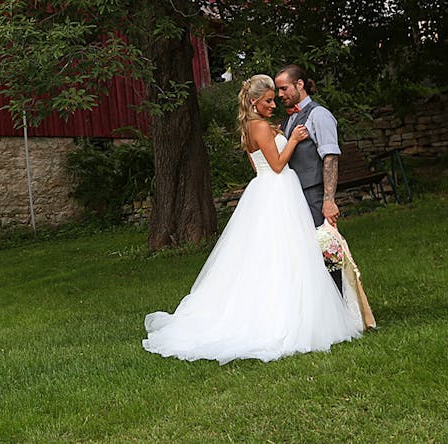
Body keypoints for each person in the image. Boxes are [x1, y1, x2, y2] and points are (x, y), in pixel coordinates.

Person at [142, 75, 362, 364]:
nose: (274, 104)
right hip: (277, 188)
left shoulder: (251, 126)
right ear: (254, 101)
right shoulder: (258, 126)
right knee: (284, 251)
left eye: (274, 99)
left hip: (268, 188)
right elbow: (277, 164)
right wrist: (294, 140)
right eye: (268, 100)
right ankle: (282, 317)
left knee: (276, 253)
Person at [274, 64, 342, 292]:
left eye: (284, 89)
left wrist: (328, 200)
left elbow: (330, 157)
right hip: (295, 194)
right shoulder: (288, 119)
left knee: (326, 249)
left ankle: (340, 303)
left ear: (299, 85)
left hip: (314, 193)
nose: (280, 95)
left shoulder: (319, 115)